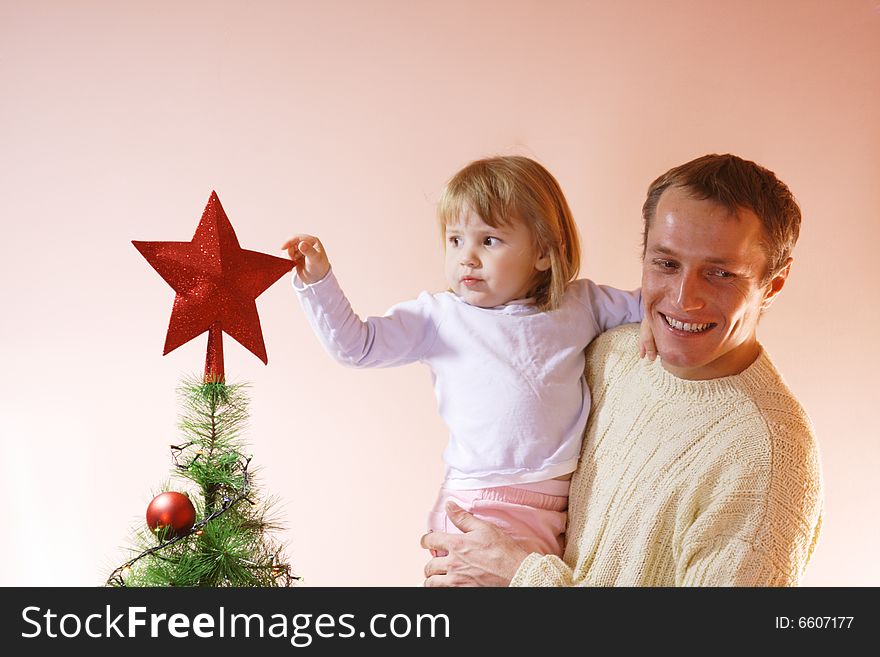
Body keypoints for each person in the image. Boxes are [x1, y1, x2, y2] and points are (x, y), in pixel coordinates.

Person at [421, 153, 824, 586]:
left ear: (773, 284)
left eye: (721, 273)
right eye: (666, 264)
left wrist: (522, 578)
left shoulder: (769, 457)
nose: (683, 298)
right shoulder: (609, 355)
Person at [283, 156, 645, 558]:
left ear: (544, 253)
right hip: (477, 503)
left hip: (556, 503)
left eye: (488, 241)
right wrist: (318, 281)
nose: (466, 258)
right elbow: (357, 346)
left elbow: (653, 307)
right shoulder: (440, 316)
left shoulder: (581, 303)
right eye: (455, 240)